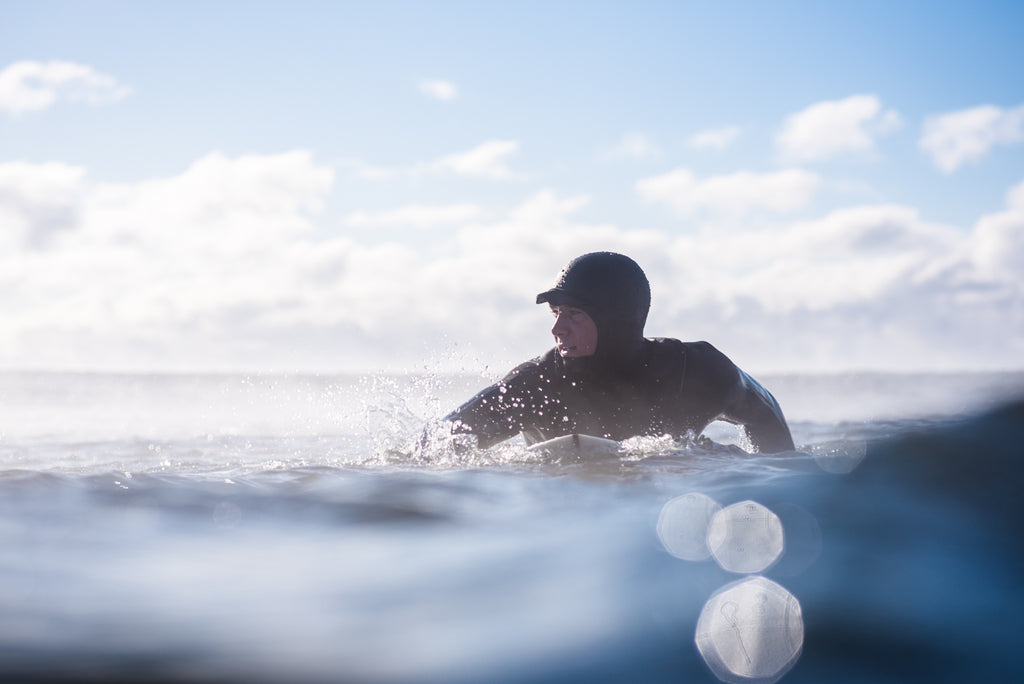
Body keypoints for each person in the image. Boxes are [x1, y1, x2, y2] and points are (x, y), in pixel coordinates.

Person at [436, 252, 795, 453]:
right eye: (556, 314)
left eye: (574, 314)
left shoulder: (694, 372)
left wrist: (768, 474)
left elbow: (765, 413)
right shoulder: (537, 386)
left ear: (616, 320)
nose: (557, 329)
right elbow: (437, 444)